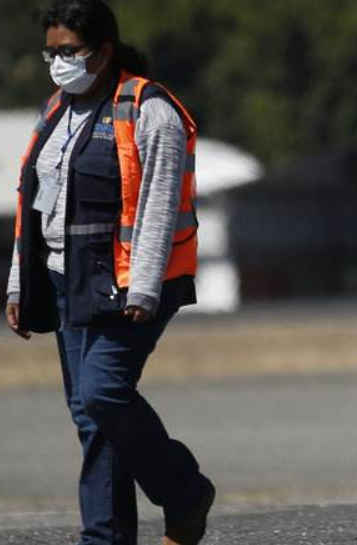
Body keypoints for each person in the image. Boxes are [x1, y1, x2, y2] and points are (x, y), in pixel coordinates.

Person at [4, 1, 214, 544]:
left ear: (102, 51)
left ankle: (185, 491)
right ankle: (105, 537)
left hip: (129, 282)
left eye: (68, 51)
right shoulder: (56, 108)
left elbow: (159, 205)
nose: (57, 61)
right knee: (89, 418)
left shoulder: (150, 109)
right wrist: (19, 283)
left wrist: (143, 287)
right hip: (64, 277)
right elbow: (35, 200)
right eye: (50, 51)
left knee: (102, 391)